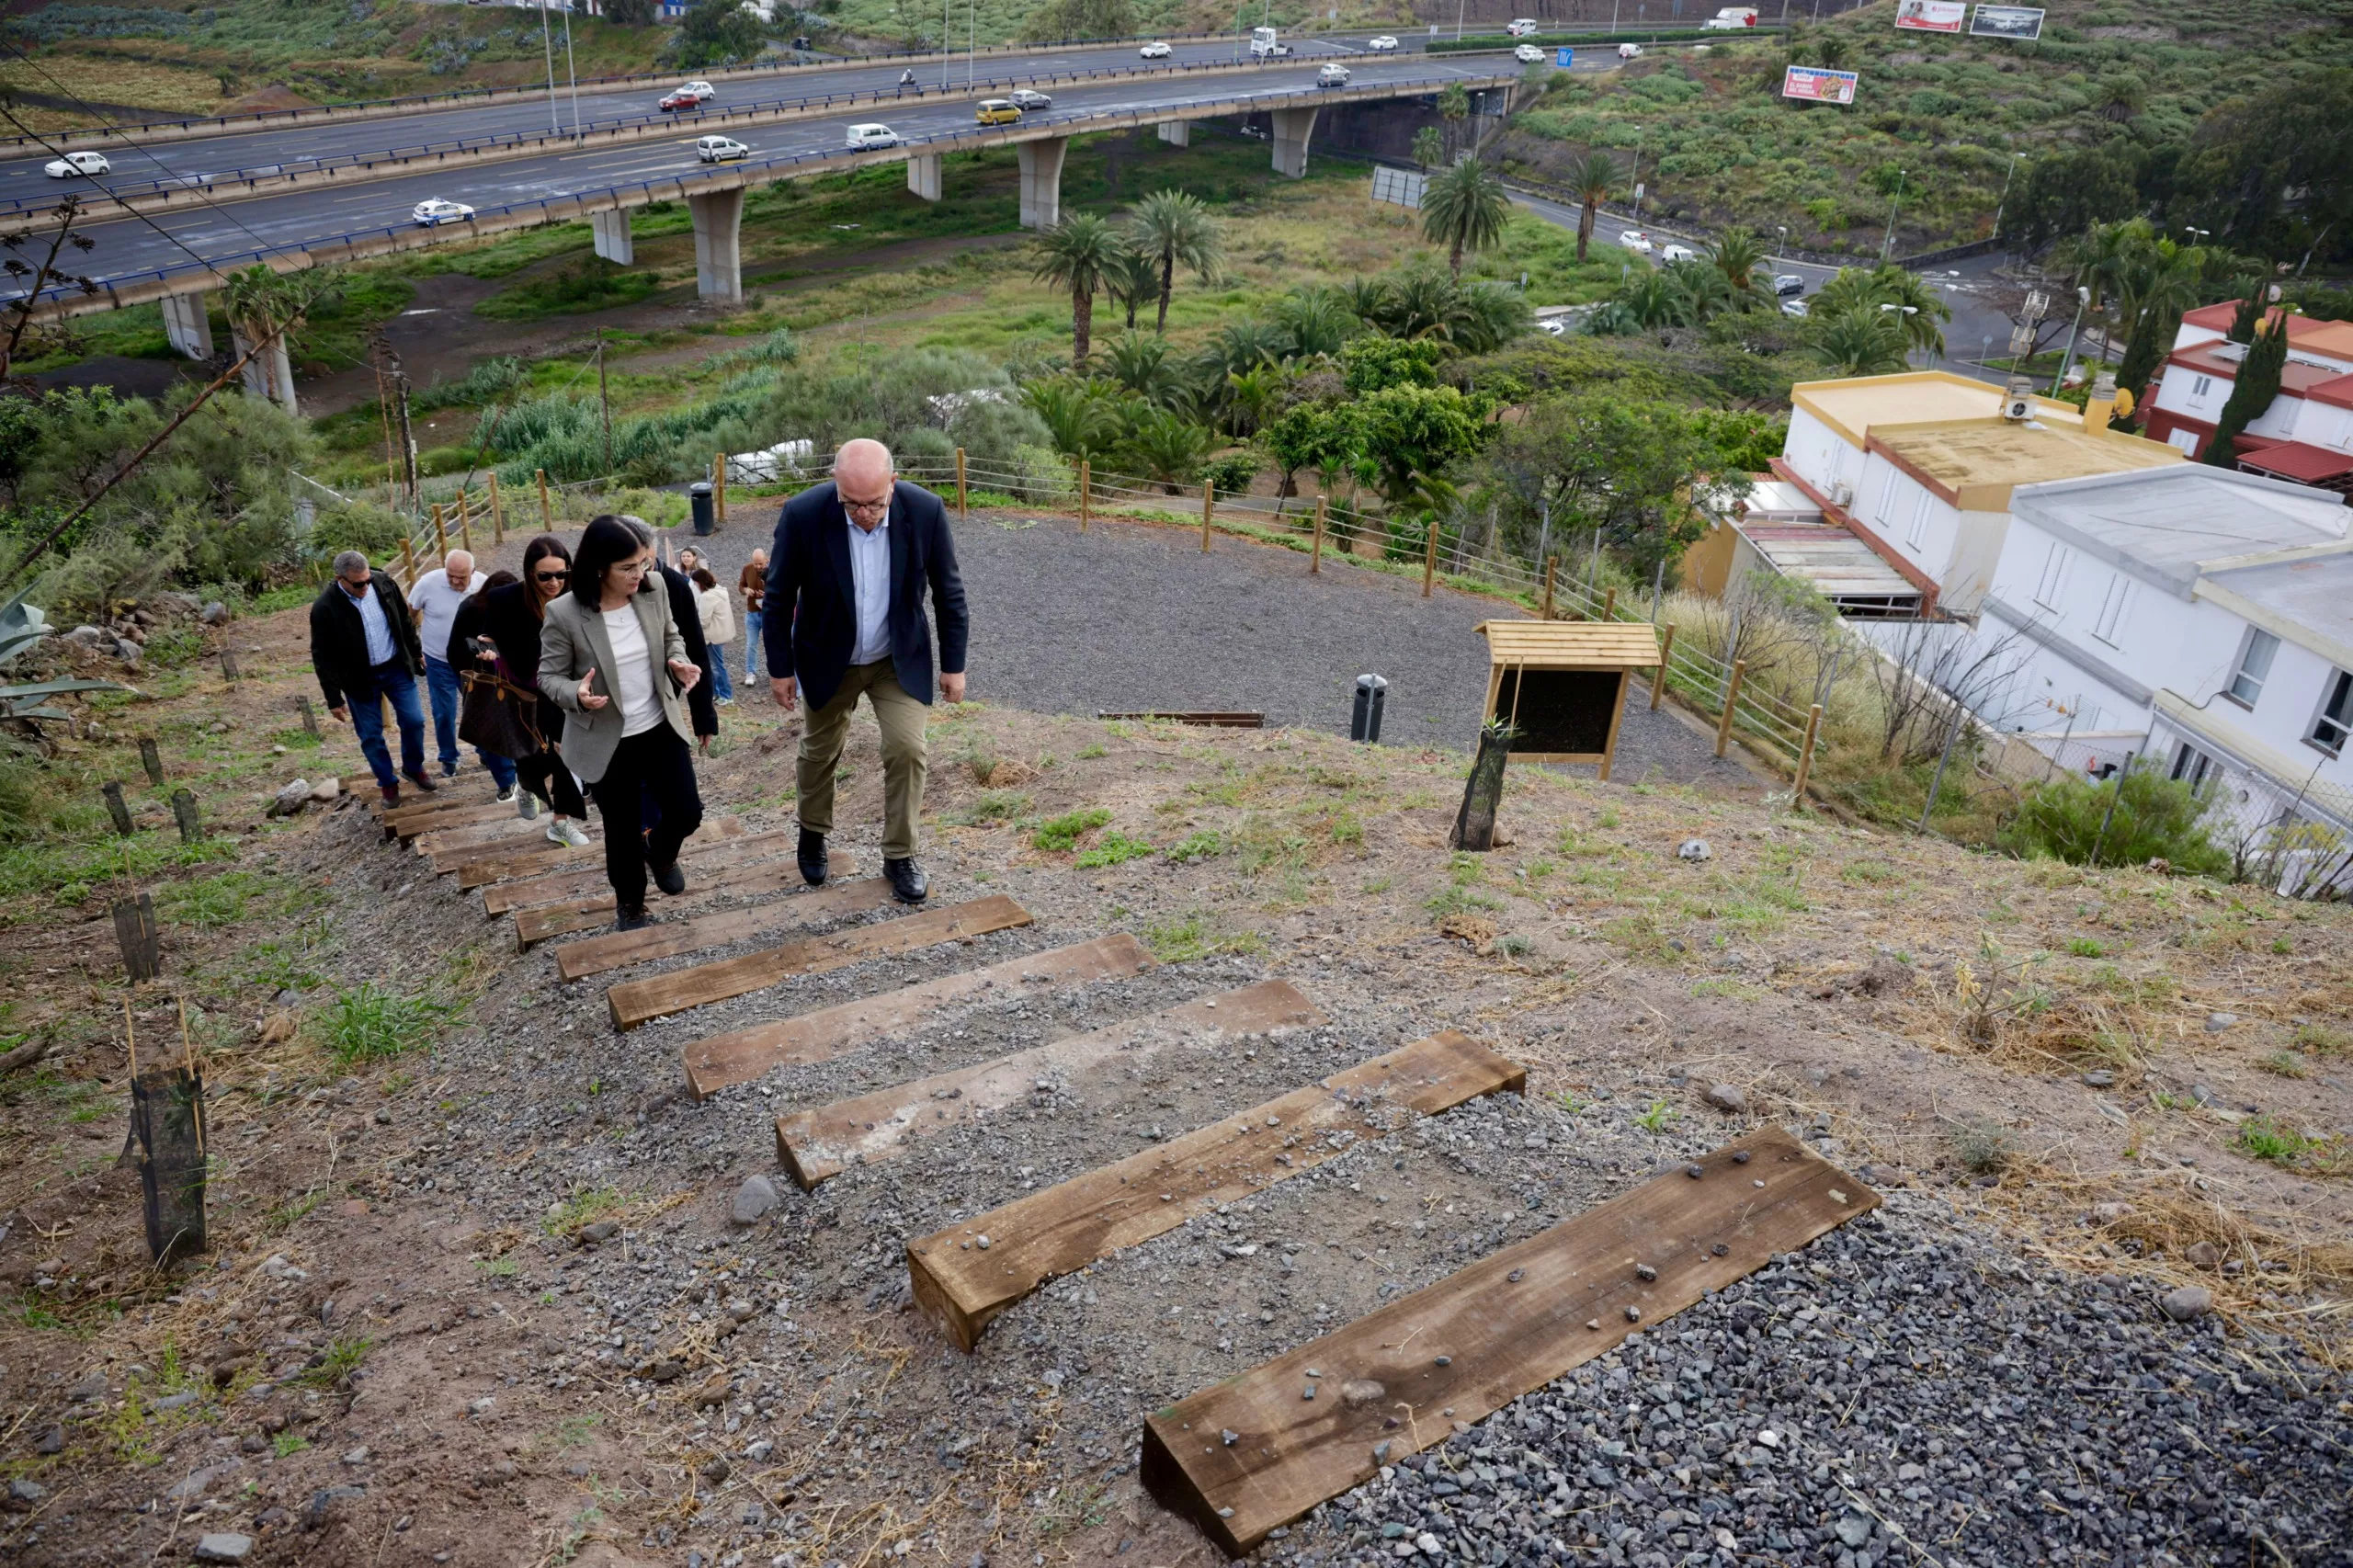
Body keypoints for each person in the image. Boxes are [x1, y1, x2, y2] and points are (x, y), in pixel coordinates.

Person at [765, 437, 967, 904]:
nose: (864, 515)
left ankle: (900, 854)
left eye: (875, 504)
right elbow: (777, 599)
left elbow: (949, 592)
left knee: (908, 749)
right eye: (852, 504)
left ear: (892, 484)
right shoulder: (803, 514)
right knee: (819, 750)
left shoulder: (926, 510)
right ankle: (813, 832)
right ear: (836, 486)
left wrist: (954, 666)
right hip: (826, 654)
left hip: (896, 658)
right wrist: (780, 669)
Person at [541, 516, 705, 931]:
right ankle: (631, 904)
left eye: (644, 564)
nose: (640, 574)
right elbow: (548, 677)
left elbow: (672, 636)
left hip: (657, 725)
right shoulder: (564, 612)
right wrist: (575, 694)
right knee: (621, 828)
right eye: (628, 568)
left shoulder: (656, 589)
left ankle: (660, 849)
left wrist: (679, 663)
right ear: (600, 567)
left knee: (687, 811)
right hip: (605, 738)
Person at [460, 535, 592, 844]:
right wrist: (486, 651)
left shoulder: (578, 596)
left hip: (563, 688)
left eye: (562, 574)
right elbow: (484, 637)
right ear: (530, 572)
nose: (554, 582)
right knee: (531, 754)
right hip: (524, 691)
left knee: (566, 752)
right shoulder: (505, 598)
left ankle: (560, 822)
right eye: (545, 576)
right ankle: (527, 783)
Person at [310, 550, 434, 806]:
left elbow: (403, 619)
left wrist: (415, 651)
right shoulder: (324, 608)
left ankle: (413, 767)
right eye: (358, 584)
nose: (365, 586)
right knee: (371, 735)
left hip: (396, 667)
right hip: (358, 680)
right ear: (340, 579)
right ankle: (387, 783)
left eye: (367, 580)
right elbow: (322, 655)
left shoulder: (383, 583)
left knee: (414, 720)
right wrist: (333, 698)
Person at [407, 548, 497, 786]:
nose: (456, 581)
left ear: (473, 572)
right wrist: (415, 648)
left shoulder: (485, 585)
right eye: (451, 576)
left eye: (462, 577)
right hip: (438, 660)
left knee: (477, 709)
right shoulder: (428, 583)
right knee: (443, 712)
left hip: (471, 661)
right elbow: (410, 613)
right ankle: (448, 758)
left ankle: (485, 752)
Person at [441, 568, 523, 802]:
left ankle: (518, 770)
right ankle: (507, 782)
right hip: (475, 677)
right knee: (490, 728)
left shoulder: (515, 608)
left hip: (507, 676)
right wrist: (486, 654)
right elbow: (456, 649)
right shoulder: (471, 608)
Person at [691, 566, 736, 705]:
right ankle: (718, 693)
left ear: (700, 583)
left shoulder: (707, 597)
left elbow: (703, 621)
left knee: (717, 666)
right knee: (716, 665)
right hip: (721, 633)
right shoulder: (720, 591)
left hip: (712, 636)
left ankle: (726, 696)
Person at [739, 547, 767, 685]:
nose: (758, 566)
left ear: (766, 560)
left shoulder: (774, 569)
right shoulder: (747, 569)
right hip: (752, 613)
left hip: (768, 613)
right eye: (755, 563)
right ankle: (750, 673)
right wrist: (746, 590)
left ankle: (774, 673)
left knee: (771, 644)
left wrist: (767, 595)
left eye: (760, 564)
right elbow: (741, 586)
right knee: (751, 644)